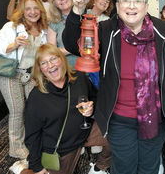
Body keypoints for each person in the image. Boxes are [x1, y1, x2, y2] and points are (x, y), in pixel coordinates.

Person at [63, 0, 165, 174]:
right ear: (118, 5)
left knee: (149, 167)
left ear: (146, 5)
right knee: (125, 167)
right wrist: (77, 9)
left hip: (155, 116)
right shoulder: (106, 30)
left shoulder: (162, 31)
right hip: (120, 118)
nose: (131, 6)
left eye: (137, 1)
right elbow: (71, 44)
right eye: (126, 1)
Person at [21, 44, 110, 174]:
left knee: (119, 132)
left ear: (62, 59)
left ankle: (98, 169)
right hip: (61, 148)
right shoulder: (37, 96)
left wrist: (92, 107)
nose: (50, 65)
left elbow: (95, 98)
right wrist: (36, 166)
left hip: (85, 132)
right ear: (40, 69)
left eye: (53, 59)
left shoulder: (79, 78)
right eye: (44, 63)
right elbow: (32, 135)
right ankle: (23, 167)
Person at [0, 0, 48, 173]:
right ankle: (16, 148)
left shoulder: (43, 30)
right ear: (22, 11)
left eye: (35, 8)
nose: (32, 12)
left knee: (34, 109)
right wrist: (14, 45)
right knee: (17, 110)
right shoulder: (12, 27)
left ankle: (33, 140)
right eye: (28, 8)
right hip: (11, 74)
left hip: (30, 74)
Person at [48, 0, 78, 68]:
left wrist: (66, 50)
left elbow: (92, 43)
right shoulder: (53, 23)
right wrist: (75, 48)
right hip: (65, 70)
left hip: (88, 70)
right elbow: (52, 52)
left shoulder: (85, 15)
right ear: (54, 4)